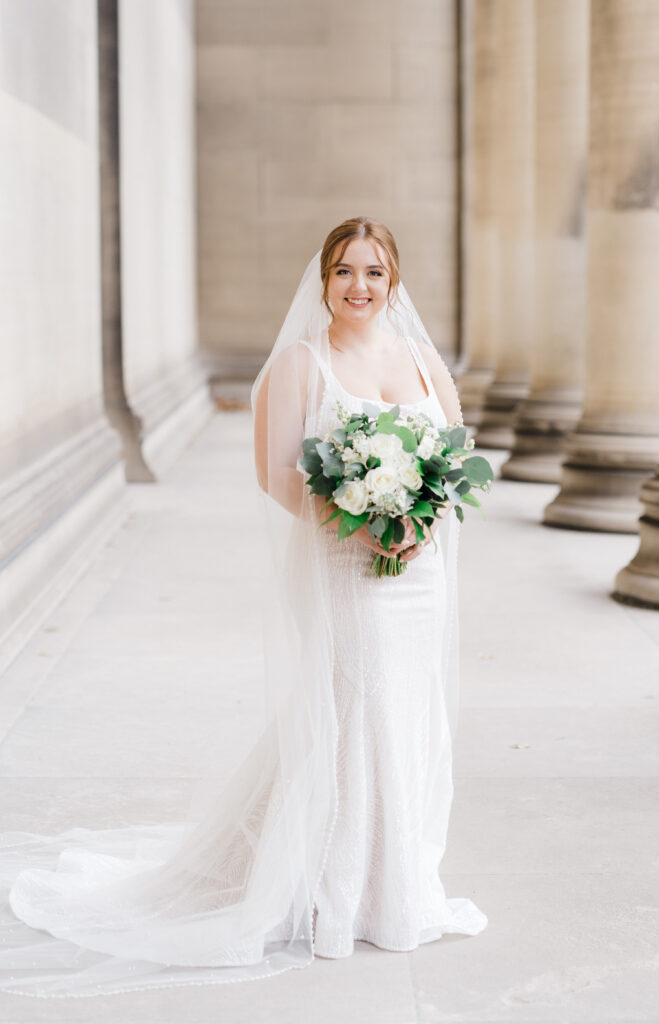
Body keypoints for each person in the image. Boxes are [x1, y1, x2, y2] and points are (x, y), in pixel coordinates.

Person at [0, 217, 486, 999]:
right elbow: (275, 473)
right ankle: (334, 888)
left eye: (372, 271)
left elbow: (454, 451)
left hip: (419, 573)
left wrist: (418, 522)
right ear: (322, 280)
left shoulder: (421, 357)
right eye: (343, 271)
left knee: (406, 711)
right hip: (347, 563)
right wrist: (364, 523)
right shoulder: (302, 363)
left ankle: (390, 883)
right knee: (353, 707)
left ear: (393, 280)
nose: (358, 286)